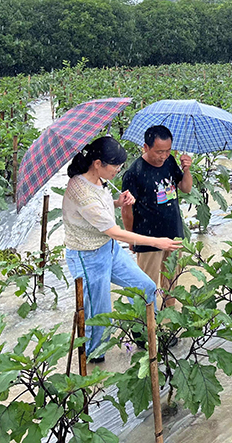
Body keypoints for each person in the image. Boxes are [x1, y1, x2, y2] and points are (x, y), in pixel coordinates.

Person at [63, 136, 181, 362]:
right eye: (115, 166)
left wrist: (118, 202)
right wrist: (157, 241)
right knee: (99, 315)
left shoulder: (98, 180)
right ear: (98, 163)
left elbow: (103, 213)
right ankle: (94, 359)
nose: (118, 170)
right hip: (87, 257)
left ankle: (143, 334)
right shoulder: (81, 192)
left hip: (108, 249)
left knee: (144, 287)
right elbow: (114, 231)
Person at [121, 126, 192, 303]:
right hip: (148, 239)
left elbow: (185, 188)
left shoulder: (169, 162)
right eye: (159, 151)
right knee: (147, 287)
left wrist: (187, 170)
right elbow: (126, 210)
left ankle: (168, 325)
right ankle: (149, 327)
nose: (164, 156)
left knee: (171, 286)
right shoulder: (134, 173)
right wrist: (131, 238)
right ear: (145, 147)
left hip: (173, 233)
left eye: (168, 150)